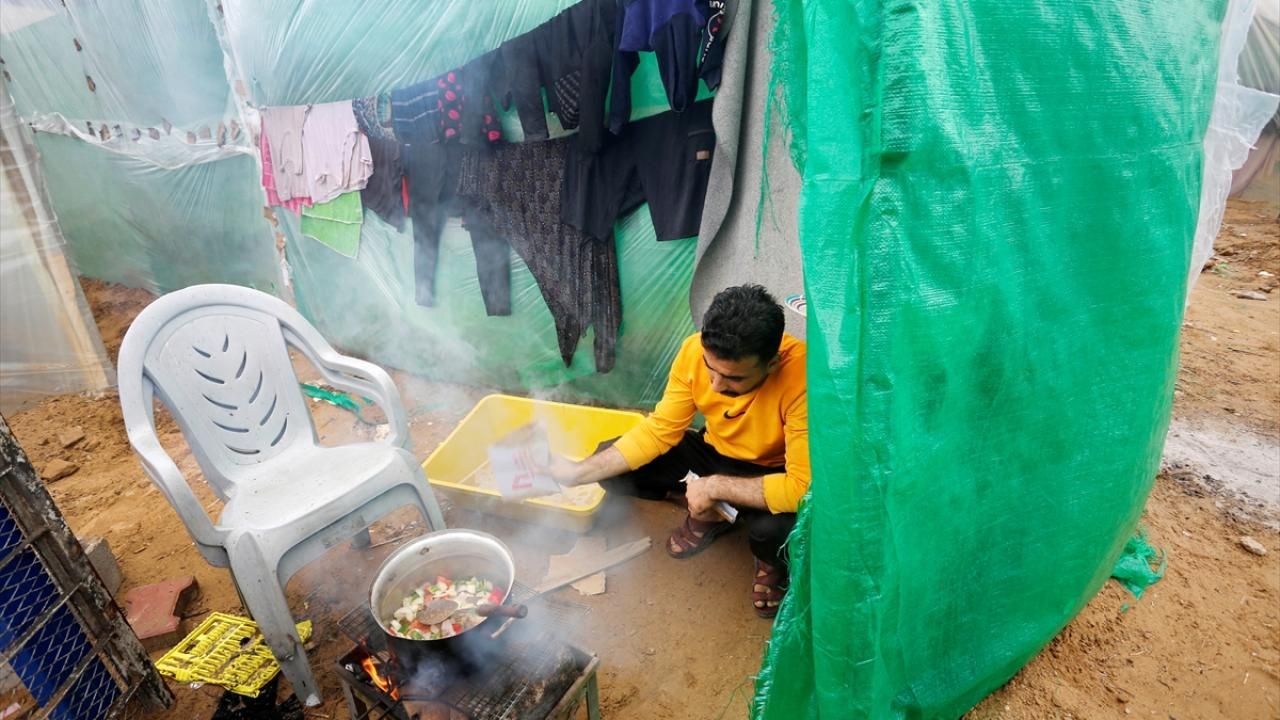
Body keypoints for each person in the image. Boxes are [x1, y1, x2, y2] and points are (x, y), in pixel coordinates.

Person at [550, 284, 808, 618]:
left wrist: (714, 486)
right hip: (712, 451)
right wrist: (576, 473)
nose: (715, 386)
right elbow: (660, 431)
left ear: (771, 364)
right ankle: (714, 512)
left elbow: (802, 487)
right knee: (612, 465)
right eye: (709, 368)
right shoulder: (692, 351)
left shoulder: (804, 377)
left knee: (779, 531)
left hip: (774, 468)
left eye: (733, 378)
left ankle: (765, 555)